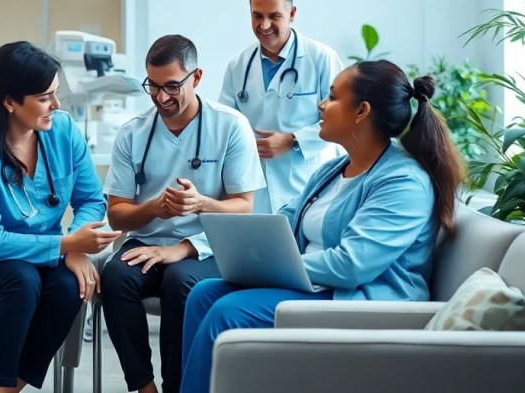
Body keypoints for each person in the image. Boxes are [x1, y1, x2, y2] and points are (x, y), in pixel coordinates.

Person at [181, 60, 465, 393]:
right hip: (316, 285)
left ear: (361, 111)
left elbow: (351, 265)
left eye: (332, 97)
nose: (321, 104)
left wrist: (272, 269)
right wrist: (241, 248)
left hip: (363, 301)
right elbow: (285, 220)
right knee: (202, 295)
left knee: (228, 313)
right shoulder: (333, 170)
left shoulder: (403, 182)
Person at [0, 41, 119, 393]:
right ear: (10, 101)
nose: (56, 105)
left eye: (56, 93)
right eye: (45, 97)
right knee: (20, 278)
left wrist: (77, 248)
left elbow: (92, 200)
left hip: (39, 260)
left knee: (68, 286)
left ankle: (9, 388)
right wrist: (66, 244)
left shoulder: (62, 131)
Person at [101, 35, 266, 393]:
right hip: (148, 243)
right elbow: (117, 215)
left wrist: (200, 206)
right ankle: (144, 387)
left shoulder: (230, 126)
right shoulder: (133, 133)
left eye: (172, 86)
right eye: (153, 86)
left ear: (197, 77)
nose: (161, 97)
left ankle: (178, 387)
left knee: (181, 282)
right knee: (115, 278)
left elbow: (244, 206)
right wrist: (154, 207)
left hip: (209, 247)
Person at [219, 0, 345, 214]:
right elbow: (226, 124)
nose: (264, 25)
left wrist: (292, 141)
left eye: (274, 16)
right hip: (257, 184)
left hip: (308, 180)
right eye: (257, 16)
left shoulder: (321, 58)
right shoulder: (239, 65)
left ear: (292, 14)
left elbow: (342, 120)